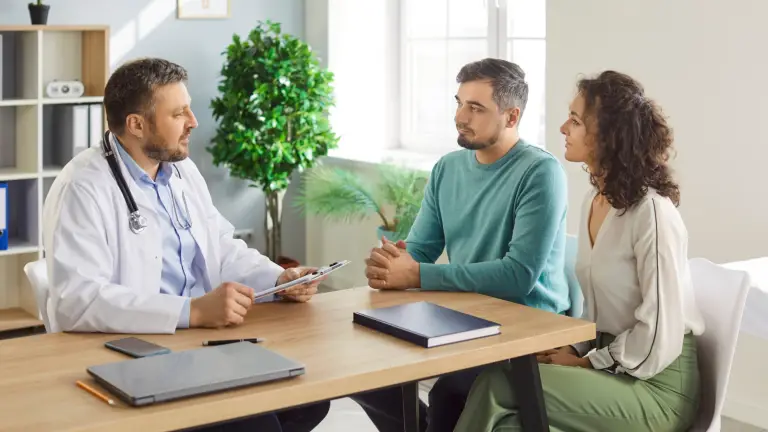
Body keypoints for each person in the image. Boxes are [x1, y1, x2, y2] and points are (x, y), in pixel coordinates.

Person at [42, 58, 329, 432]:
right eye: (179, 113)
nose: (193, 121)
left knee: (308, 400)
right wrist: (191, 311)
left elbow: (220, 247)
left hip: (200, 344)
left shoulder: (180, 170)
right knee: (259, 426)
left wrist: (278, 279)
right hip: (138, 354)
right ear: (136, 124)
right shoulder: (83, 187)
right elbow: (77, 300)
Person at [454, 70, 706, 432]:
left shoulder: (652, 214)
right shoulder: (595, 201)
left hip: (656, 388)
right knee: (510, 425)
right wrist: (576, 351)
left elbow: (657, 339)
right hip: (613, 368)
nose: (562, 129)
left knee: (501, 382)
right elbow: (598, 309)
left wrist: (589, 363)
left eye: (574, 121)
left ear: (608, 135)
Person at [352, 58, 570, 432]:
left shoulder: (540, 173)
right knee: (363, 371)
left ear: (512, 116)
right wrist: (393, 265)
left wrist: (417, 273)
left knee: (449, 393)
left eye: (476, 108)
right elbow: (420, 250)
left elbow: (518, 276)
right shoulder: (448, 168)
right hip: (463, 315)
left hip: (523, 326)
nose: (460, 117)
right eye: (459, 103)